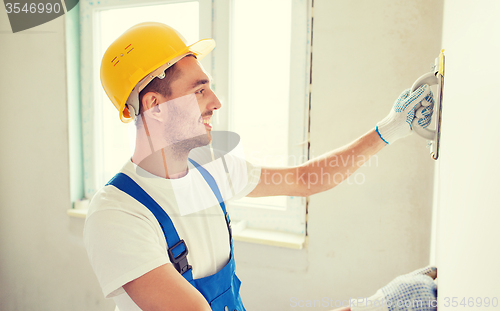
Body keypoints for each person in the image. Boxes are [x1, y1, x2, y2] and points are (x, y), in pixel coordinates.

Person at [83, 22, 435, 311]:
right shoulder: (118, 213)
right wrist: (371, 309)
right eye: (200, 91)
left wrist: (390, 129)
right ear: (155, 106)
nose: (216, 102)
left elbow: (305, 179)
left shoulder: (210, 169)